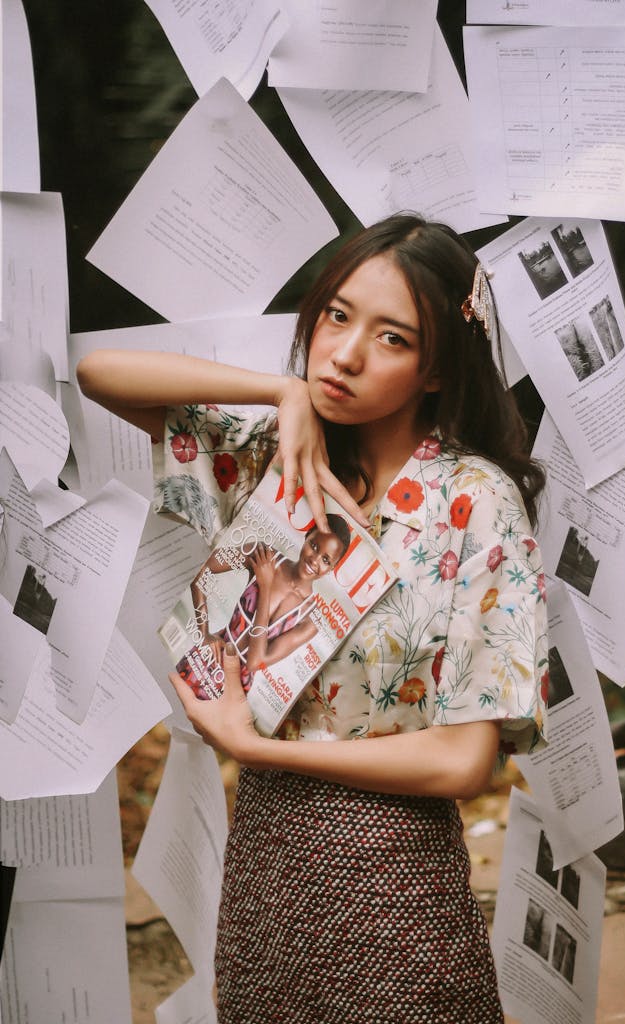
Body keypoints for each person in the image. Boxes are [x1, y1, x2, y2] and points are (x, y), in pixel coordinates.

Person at [77, 214, 549, 1023]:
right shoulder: (276, 458)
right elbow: (98, 372)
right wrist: (277, 390)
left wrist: (254, 748)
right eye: (336, 315)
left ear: (435, 371)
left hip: (396, 889)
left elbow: (464, 761)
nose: (345, 354)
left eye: (392, 338)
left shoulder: (473, 499)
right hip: (264, 876)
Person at [180, 516, 351, 695]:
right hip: (203, 661)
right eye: (314, 546)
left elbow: (255, 662)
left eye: (326, 560)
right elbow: (204, 568)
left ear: (332, 568)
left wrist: (266, 586)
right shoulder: (264, 556)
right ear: (307, 536)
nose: (314, 560)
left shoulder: (310, 622)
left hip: (233, 691)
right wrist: (204, 632)